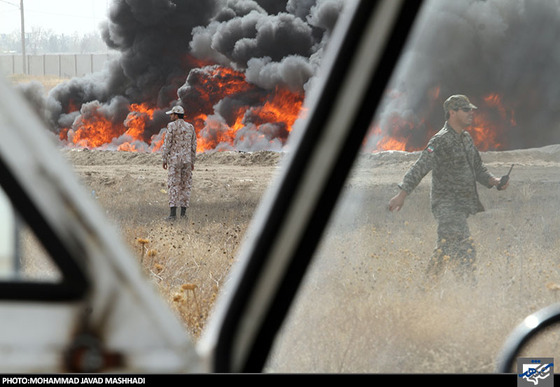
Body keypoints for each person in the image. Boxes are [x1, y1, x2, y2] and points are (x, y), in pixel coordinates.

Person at [388, 94, 509, 284]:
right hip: (446, 205)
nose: (471, 113)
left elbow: (478, 168)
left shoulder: (467, 138)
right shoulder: (440, 140)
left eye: (471, 109)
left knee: (445, 249)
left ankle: (426, 289)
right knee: (465, 248)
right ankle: (467, 288)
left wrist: (495, 181)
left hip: (461, 204)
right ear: (452, 112)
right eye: (466, 109)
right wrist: (401, 194)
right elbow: (419, 167)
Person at [161, 105, 197, 221]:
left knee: (173, 185)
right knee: (185, 186)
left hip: (175, 161)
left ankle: (172, 215)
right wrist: (192, 161)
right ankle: (183, 214)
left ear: (176, 115)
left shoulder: (171, 126)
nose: (170, 116)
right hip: (187, 161)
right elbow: (193, 146)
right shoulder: (190, 127)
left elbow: (167, 144)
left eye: (171, 114)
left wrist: (164, 159)